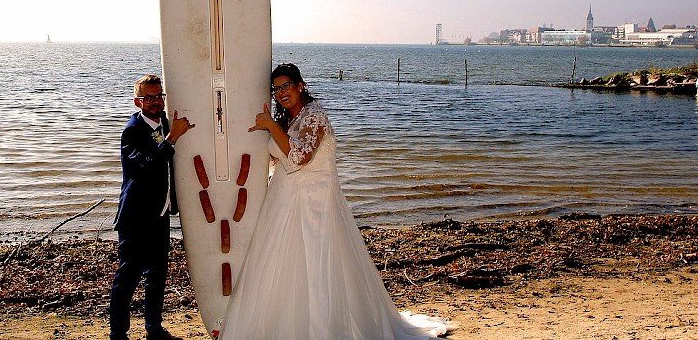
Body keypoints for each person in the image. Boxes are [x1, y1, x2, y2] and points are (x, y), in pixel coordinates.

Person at [219, 63, 455, 339]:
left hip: (315, 204)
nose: (281, 92)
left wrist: (270, 124)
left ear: (300, 85)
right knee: (282, 267)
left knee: (318, 267)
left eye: (286, 86)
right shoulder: (290, 120)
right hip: (283, 200)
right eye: (276, 88)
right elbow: (278, 158)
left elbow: (300, 157)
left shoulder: (315, 116)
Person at [110, 74, 194, 340]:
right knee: (128, 278)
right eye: (149, 97)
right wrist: (171, 139)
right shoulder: (132, 130)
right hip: (135, 217)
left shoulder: (165, 124)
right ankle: (118, 335)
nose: (156, 101)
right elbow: (144, 164)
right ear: (138, 101)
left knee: (157, 276)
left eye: (159, 96)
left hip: (160, 215)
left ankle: (154, 331)